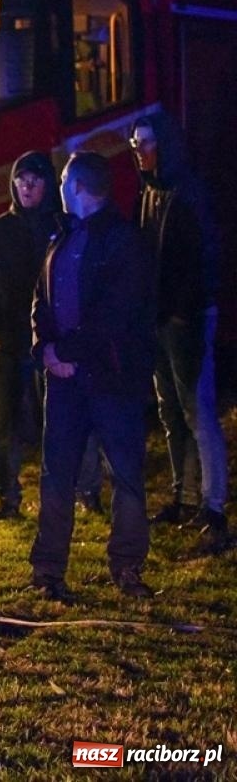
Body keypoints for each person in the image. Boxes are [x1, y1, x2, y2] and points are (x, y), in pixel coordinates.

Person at [29, 152, 158, 601]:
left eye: (63, 180)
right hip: (67, 378)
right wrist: (45, 347)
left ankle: (126, 566)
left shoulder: (122, 241)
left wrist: (62, 351)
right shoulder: (61, 235)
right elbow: (42, 299)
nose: (58, 187)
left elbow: (115, 313)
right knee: (57, 472)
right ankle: (48, 569)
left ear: (78, 185)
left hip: (111, 377)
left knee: (124, 472)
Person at [131, 113, 229, 553]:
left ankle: (214, 505)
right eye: (136, 144)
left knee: (197, 411)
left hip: (184, 317)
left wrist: (184, 312)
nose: (140, 152)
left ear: (164, 145)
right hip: (162, 316)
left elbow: (203, 256)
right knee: (172, 410)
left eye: (146, 144)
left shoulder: (187, 192)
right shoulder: (152, 192)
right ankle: (184, 496)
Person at [0, 151, 63, 521]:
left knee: (57, 420)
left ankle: (65, 492)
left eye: (34, 180)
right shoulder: (0, 229)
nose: (26, 187)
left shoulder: (60, 226)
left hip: (53, 343)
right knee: (3, 423)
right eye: (21, 180)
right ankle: (7, 496)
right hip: (9, 342)